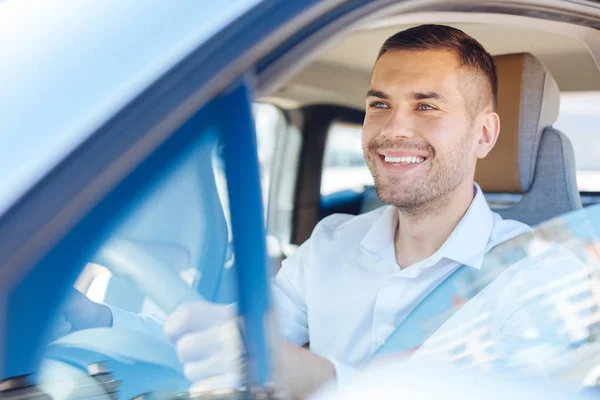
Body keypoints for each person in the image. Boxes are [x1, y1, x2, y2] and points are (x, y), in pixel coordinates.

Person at [57, 24, 588, 398]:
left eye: (426, 106)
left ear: (485, 133)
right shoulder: (331, 243)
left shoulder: (537, 272)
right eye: (379, 104)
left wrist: (318, 379)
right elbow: (233, 343)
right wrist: (99, 319)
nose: (392, 129)